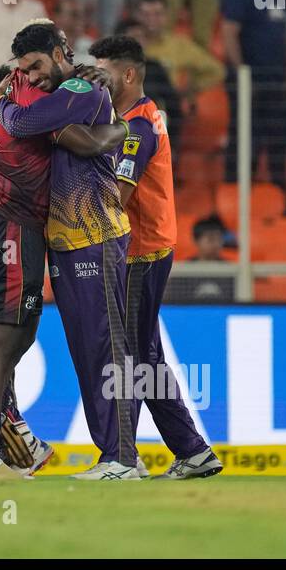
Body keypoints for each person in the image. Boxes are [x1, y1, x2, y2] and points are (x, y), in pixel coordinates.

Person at [0, 22, 139, 479]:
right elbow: (70, 135)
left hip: (95, 236)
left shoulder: (80, 85)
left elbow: (26, 122)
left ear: (59, 54)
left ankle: (123, 458)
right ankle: (110, 455)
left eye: (36, 66)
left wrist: (2, 106)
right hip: (67, 241)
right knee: (87, 352)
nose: (32, 78)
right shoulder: (64, 93)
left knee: (107, 349)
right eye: (25, 72)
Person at [91, 34, 222, 479]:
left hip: (140, 250)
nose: (96, 80)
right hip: (143, 248)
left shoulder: (138, 127)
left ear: (128, 74)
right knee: (143, 356)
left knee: (128, 356)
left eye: (103, 72)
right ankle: (191, 450)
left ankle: (124, 458)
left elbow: (120, 192)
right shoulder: (133, 119)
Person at [221, 0, 286, 195]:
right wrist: (242, 72)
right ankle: (236, 188)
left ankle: (279, 191)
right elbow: (230, 32)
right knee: (244, 133)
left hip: (275, 79)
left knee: (277, 136)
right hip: (250, 78)